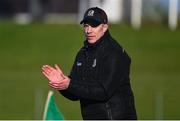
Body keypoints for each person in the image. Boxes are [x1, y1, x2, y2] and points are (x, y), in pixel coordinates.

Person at [42, 7, 137, 120]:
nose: (88, 30)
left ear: (105, 27)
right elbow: (75, 93)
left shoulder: (115, 53)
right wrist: (62, 84)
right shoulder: (82, 54)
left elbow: (103, 91)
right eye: (86, 26)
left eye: (94, 25)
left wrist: (70, 84)